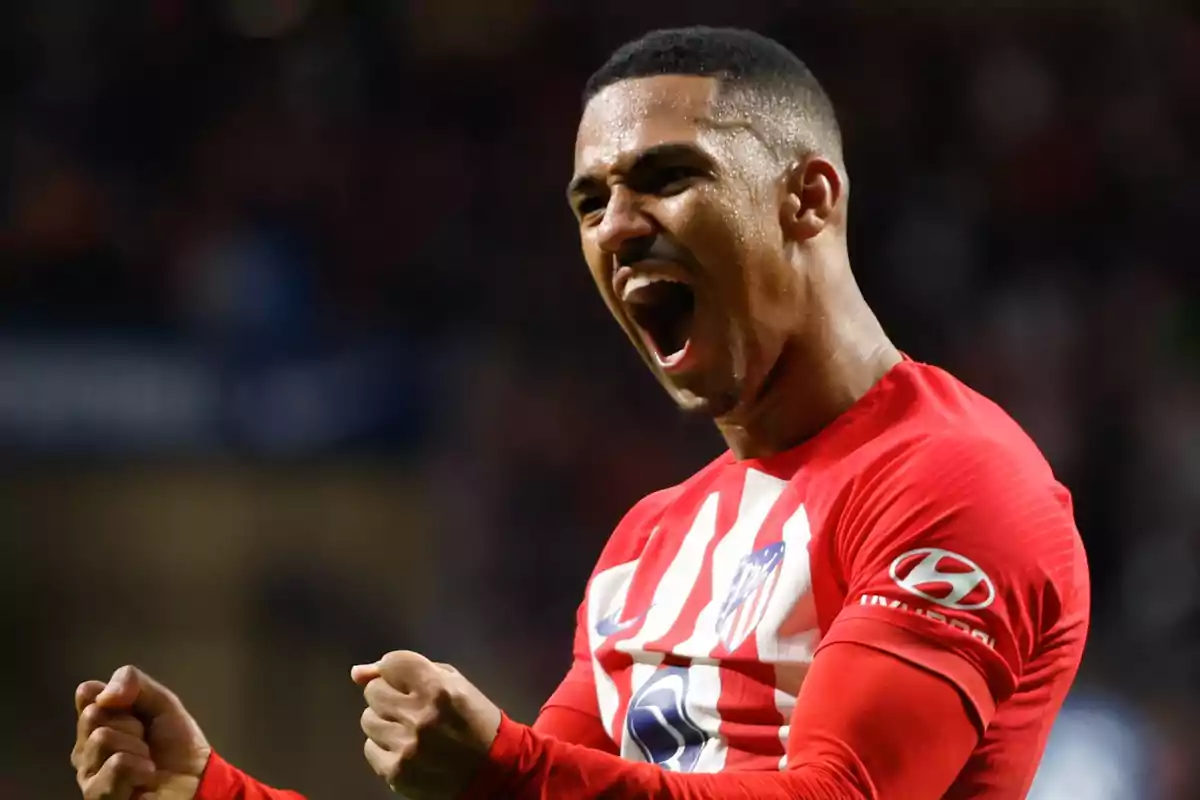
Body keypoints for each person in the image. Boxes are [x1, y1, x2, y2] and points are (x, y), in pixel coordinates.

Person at [70, 26, 1090, 800]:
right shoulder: (647, 542)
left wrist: (506, 763)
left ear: (808, 198)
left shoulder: (955, 478)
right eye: (589, 200)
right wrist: (211, 788)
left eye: (667, 177)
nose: (618, 226)